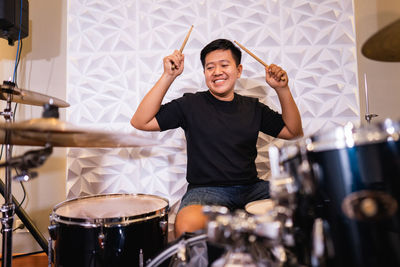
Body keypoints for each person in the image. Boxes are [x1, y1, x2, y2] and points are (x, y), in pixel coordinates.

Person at [131, 39, 303, 238]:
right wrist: (168, 76)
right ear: (204, 73)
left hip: (252, 188)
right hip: (206, 191)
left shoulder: (253, 107)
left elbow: (293, 131)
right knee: (187, 224)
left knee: (305, 204)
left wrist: (282, 89)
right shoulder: (190, 104)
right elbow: (141, 121)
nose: (217, 72)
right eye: (210, 67)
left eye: (224, 65)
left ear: (238, 70)